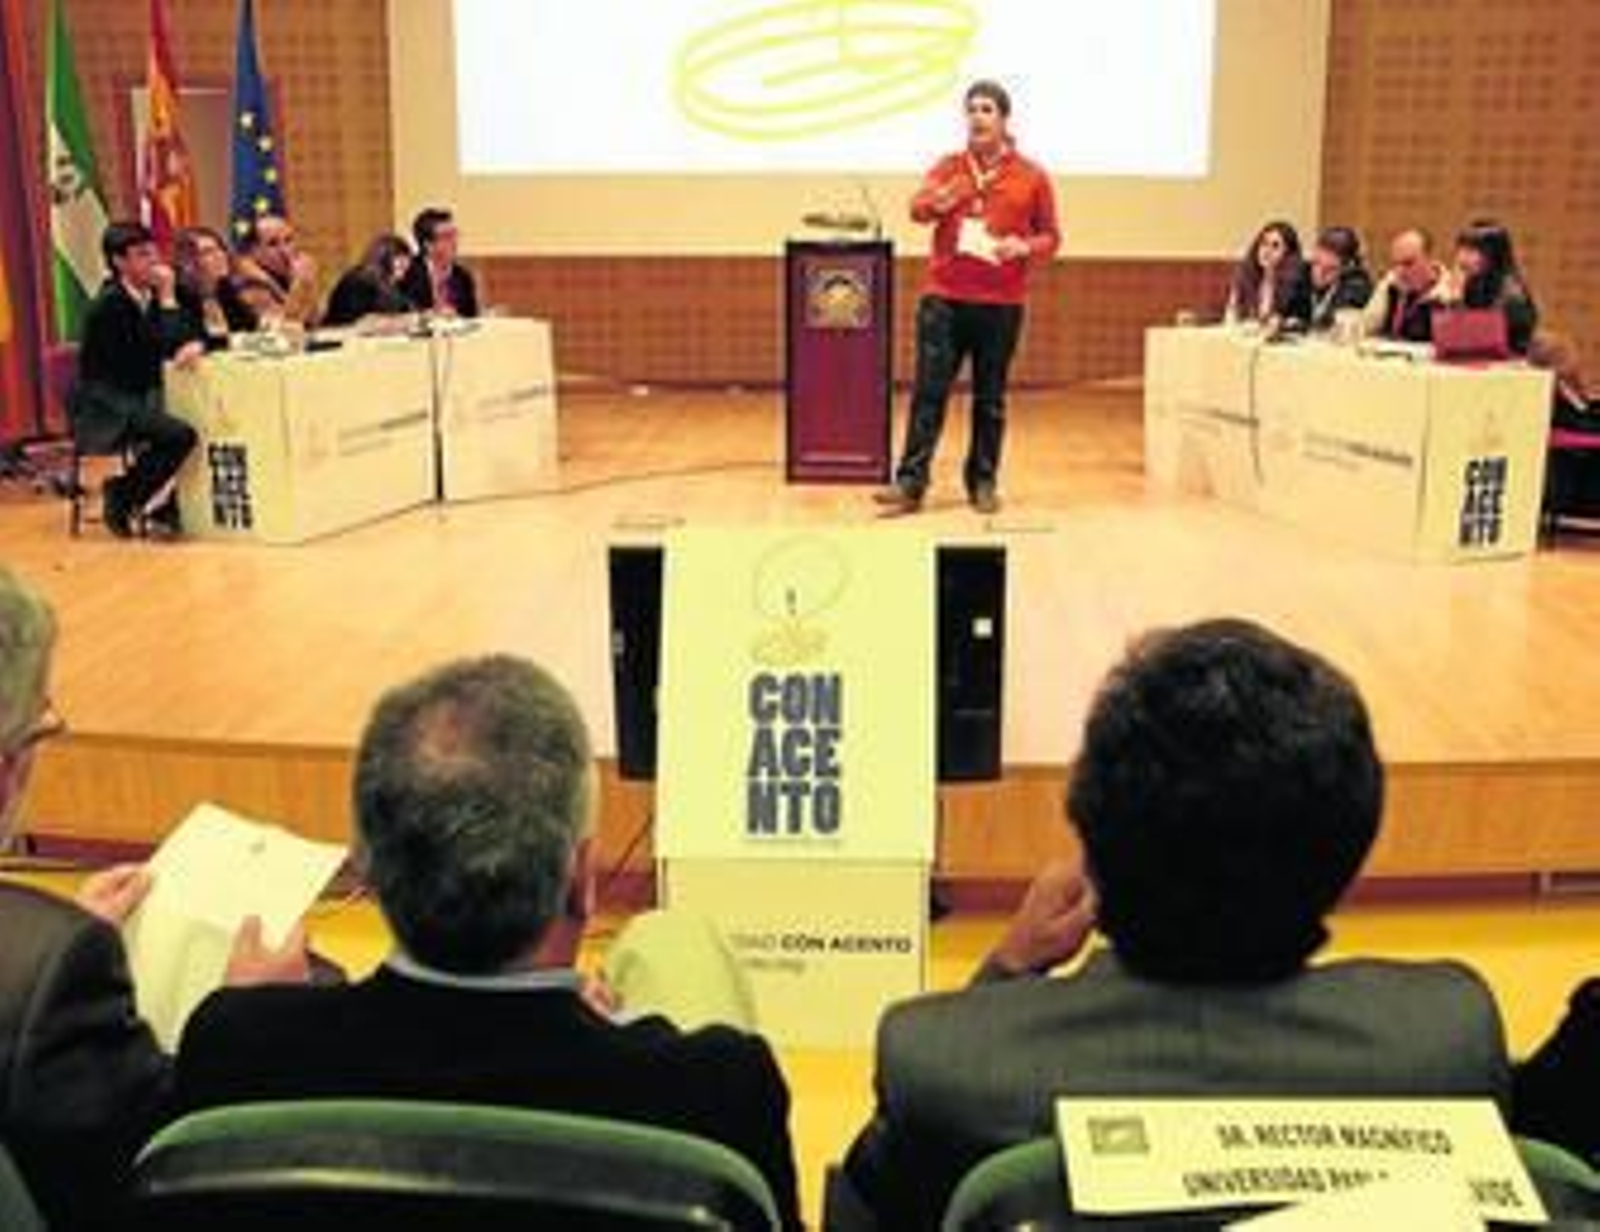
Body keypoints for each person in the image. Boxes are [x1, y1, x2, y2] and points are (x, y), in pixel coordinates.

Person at [838, 619, 1509, 1232]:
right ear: (1351, 845)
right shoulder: (1449, 1038)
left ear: (1091, 844)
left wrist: (1009, 968)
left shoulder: (942, 1064)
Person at [173, 655, 803, 1232]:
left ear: (366, 870)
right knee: (675, 940)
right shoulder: (718, 1087)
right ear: (583, 881)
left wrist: (250, 1016)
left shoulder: (233, 1049)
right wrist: (626, 1033)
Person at [0, 566, 308, 1231]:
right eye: (38, 729)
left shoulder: (41, 951)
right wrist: (247, 1020)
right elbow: (159, 1177)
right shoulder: (52, 968)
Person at [873, 81, 1059, 516]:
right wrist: (939, 200)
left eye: (987, 109)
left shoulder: (1031, 176)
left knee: (990, 400)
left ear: (1003, 120)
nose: (977, 117)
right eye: (971, 109)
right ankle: (910, 483)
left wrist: (1024, 247)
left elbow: (1051, 236)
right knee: (928, 394)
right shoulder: (950, 167)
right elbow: (917, 210)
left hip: (1000, 304)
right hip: (945, 300)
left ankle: (983, 481)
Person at [72, 220, 203, 537]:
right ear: (120, 262)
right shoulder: (109, 305)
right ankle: (124, 493)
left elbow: (188, 335)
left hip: (144, 393)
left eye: (154, 252)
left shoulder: (152, 295)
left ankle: (168, 506)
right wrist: (168, 298)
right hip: (107, 404)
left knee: (201, 420)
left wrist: (195, 342)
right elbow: (155, 350)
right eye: (143, 255)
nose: (155, 262)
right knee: (179, 434)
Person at [1450, 219, 1539, 355]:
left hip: (1513, 368)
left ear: (1493, 255)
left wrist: (1457, 299)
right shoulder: (1474, 282)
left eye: (1471, 251)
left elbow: (1477, 339)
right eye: (1461, 249)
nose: (1461, 258)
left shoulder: (1512, 293)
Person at [173, 225, 258, 350]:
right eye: (208, 252)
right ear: (187, 263)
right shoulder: (179, 296)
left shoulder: (224, 288)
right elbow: (191, 342)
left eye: (220, 249)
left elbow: (250, 326)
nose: (220, 256)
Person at [1362, 227, 1452, 343]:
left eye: (1408, 264)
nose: (1400, 272)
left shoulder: (1448, 294)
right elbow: (1366, 326)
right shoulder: (1390, 284)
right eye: (1395, 264)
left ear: (1430, 259)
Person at [233, 213, 320, 327]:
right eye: (272, 244)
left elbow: (315, 320)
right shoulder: (249, 285)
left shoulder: (288, 272)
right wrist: (300, 284)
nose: (285, 251)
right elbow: (286, 329)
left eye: (288, 240)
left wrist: (309, 285)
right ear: (254, 251)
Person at [1224, 220, 1312, 328]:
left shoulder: (1297, 285)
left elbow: (1299, 322)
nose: (1267, 250)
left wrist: (1282, 323)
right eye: (1264, 243)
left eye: (1275, 246)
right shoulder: (1244, 273)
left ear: (1288, 253)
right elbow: (1231, 314)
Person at [398, 206, 480, 318]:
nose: (455, 242)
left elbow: (472, 318)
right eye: (447, 237)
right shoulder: (407, 273)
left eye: (455, 234)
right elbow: (400, 313)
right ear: (428, 245)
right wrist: (429, 316)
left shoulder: (463, 277)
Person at [323, 233, 416, 328]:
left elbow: (404, 308)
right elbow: (357, 320)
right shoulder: (357, 281)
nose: (403, 274)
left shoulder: (391, 282)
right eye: (400, 266)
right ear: (383, 260)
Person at [1306, 224, 1374, 332]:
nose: (1318, 274)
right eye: (1315, 263)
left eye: (1329, 270)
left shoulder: (1357, 285)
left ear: (1347, 268)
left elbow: (1329, 320)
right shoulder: (1303, 272)